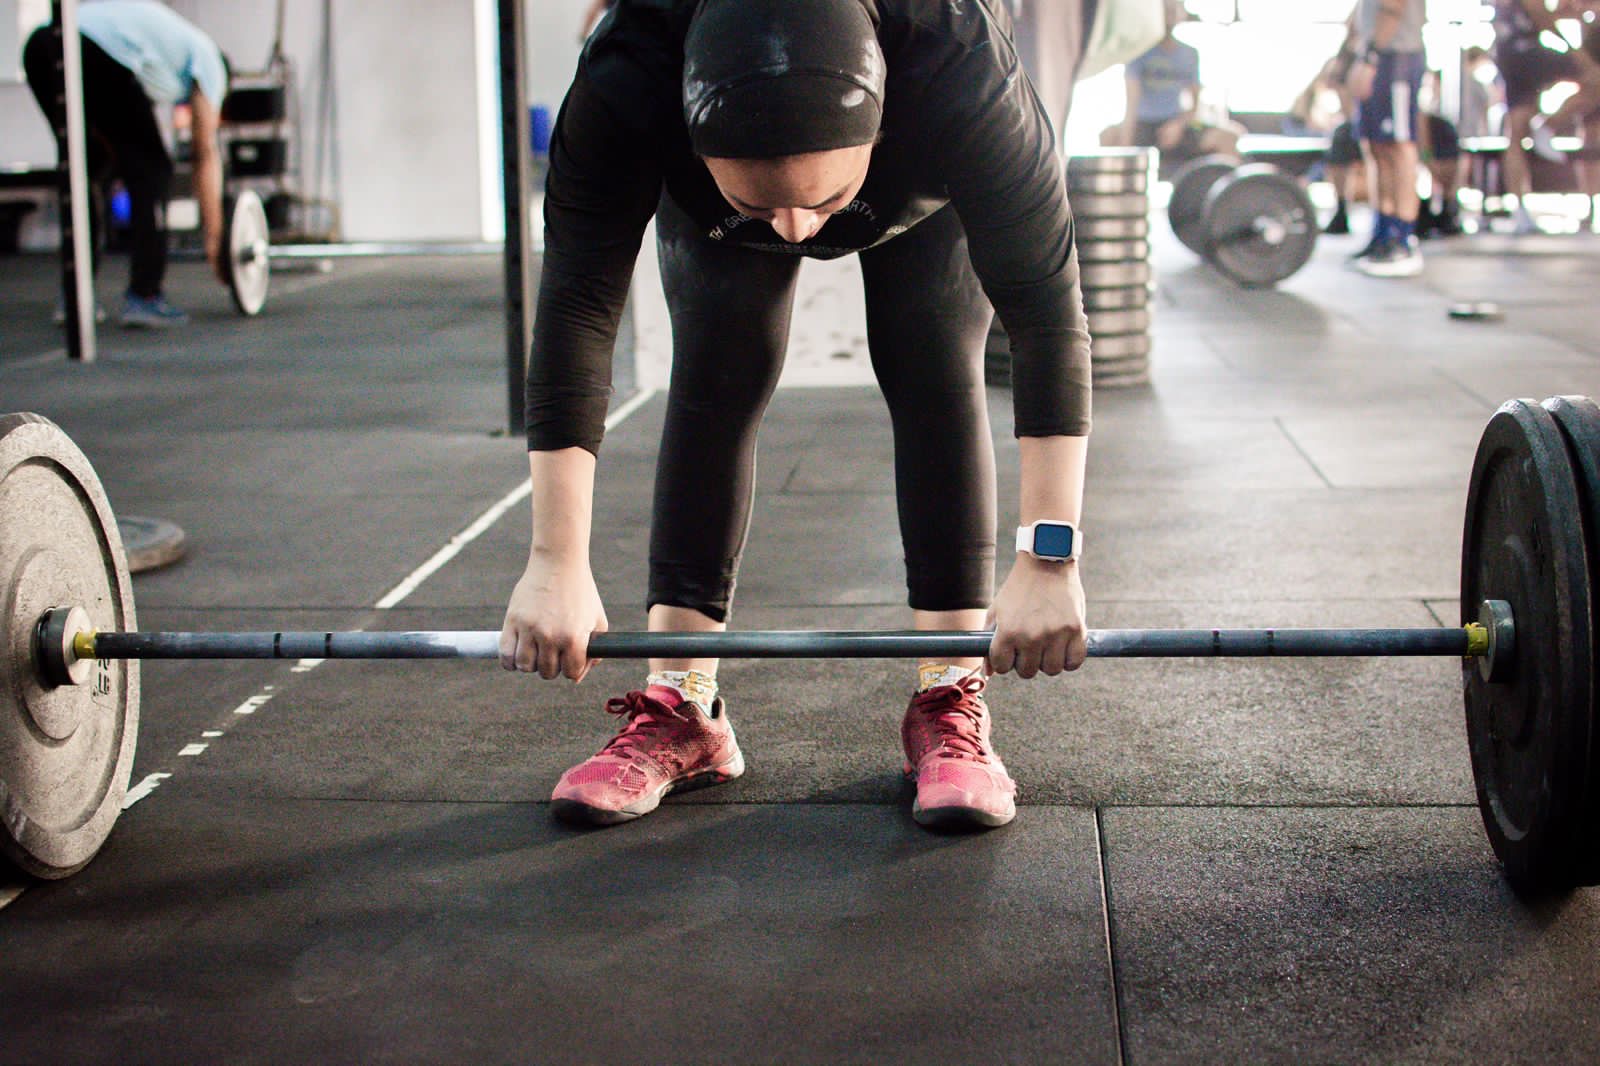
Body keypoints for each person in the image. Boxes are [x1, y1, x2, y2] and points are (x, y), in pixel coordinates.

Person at [499, 0, 1091, 831]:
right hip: (714, 205)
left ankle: (950, 692)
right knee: (714, 372)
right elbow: (576, 310)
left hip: (921, 188)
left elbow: (1047, 321)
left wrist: (1050, 562)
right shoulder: (627, 75)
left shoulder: (959, 65)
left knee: (934, 366)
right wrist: (555, 560)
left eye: (824, 198)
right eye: (762, 205)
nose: (799, 231)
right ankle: (683, 703)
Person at [22, 1, 229, 328]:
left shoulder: (168, 47)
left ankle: (74, 299)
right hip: (95, 50)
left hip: (41, 47)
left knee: (85, 168)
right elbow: (204, 153)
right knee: (154, 169)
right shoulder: (212, 62)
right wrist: (216, 239)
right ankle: (145, 296)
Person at [1493, 0, 1600, 234]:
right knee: (1594, 77)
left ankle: (1520, 212)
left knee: (1516, 131)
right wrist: (1577, 53)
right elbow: (1540, 14)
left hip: (1506, 52)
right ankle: (1548, 125)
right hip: (1527, 52)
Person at [1343, 0, 1429, 277]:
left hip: (1396, 57)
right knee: (1376, 149)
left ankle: (1403, 238)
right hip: (1377, 55)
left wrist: (1370, 59)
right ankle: (1383, 232)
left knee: (1399, 148)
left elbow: (1393, 6)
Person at [1111, 1, 1241, 165]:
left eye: (1174, 10)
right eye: (1165, 10)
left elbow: (1194, 105)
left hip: (1177, 124)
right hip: (1144, 125)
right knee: (1109, 136)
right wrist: (1126, 146)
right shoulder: (1138, 52)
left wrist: (1178, 125)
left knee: (1229, 136)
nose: (1169, 16)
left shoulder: (1189, 53)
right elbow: (1131, 103)